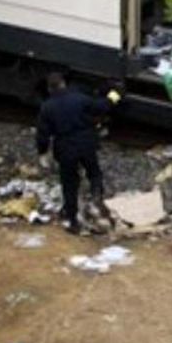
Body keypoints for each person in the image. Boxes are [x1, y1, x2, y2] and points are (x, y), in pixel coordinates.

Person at [36, 72, 120, 235]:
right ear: (63, 84)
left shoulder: (47, 107)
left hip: (65, 148)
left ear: (49, 89)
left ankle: (73, 220)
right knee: (94, 173)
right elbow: (102, 106)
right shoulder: (79, 98)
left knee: (69, 184)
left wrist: (43, 152)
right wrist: (115, 94)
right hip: (86, 143)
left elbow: (42, 134)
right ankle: (97, 198)